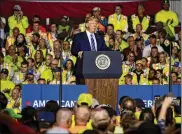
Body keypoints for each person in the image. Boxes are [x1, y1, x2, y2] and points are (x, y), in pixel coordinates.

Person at [71, 16, 109, 84]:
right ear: (87, 24)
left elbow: (105, 49)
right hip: (83, 69)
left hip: (97, 69)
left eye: (96, 23)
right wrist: (79, 52)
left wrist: (115, 50)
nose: (94, 25)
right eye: (92, 23)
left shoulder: (99, 37)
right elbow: (73, 50)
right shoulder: (79, 36)